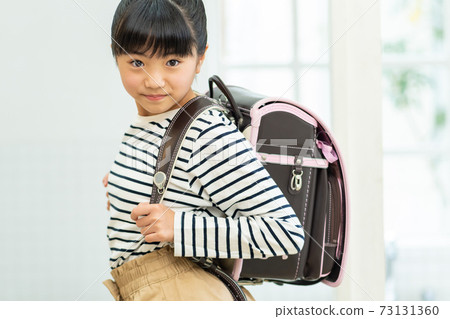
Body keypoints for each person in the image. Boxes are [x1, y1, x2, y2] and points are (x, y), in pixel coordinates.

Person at [102, 0, 304, 301]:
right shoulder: (154, 121)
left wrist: (178, 227)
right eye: (137, 62)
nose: (153, 80)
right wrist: (124, 186)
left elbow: (285, 233)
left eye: (172, 62)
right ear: (115, 54)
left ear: (199, 59)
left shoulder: (206, 132)